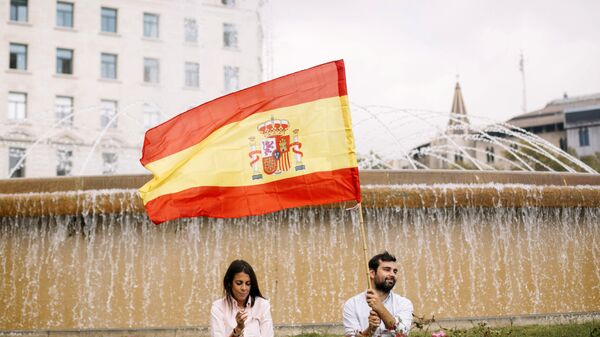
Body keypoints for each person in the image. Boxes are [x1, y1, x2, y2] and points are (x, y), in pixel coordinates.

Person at [343, 251, 413, 337]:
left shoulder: (404, 303)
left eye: (395, 271)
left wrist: (380, 307)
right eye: (387, 270)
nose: (392, 274)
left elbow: (402, 333)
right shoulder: (352, 304)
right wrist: (370, 329)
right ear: (372, 273)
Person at [210, 260, 274, 337]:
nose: (244, 288)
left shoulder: (262, 305)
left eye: (248, 284)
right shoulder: (218, 307)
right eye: (239, 283)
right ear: (229, 283)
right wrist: (238, 329)